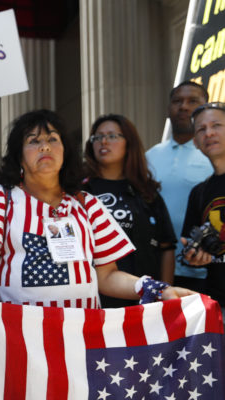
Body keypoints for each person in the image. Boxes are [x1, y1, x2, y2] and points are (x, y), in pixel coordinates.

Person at [0, 109, 194, 309]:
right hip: (18, 336)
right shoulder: (0, 197)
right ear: (19, 157)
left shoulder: (87, 203)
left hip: (82, 336)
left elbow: (107, 275)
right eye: (33, 141)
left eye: (52, 139)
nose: (45, 147)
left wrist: (156, 289)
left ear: (64, 152)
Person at [83, 114, 177, 308]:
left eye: (112, 136)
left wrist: (164, 293)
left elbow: (166, 247)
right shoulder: (79, 192)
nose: (104, 141)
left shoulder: (147, 193)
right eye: (97, 137)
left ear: (129, 143)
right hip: (94, 299)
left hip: (143, 298)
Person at [146, 82, 212, 292]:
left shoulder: (215, 156)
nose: (183, 107)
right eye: (177, 101)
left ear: (205, 108)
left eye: (192, 101)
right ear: (168, 109)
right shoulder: (149, 157)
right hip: (156, 268)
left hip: (206, 270)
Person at [181, 102, 225, 307]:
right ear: (196, 142)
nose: (209, 133)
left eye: (216, 125)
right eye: (201, 129)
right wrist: (194, 255)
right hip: (219, 300)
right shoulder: (199, 193)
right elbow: (189, 246)